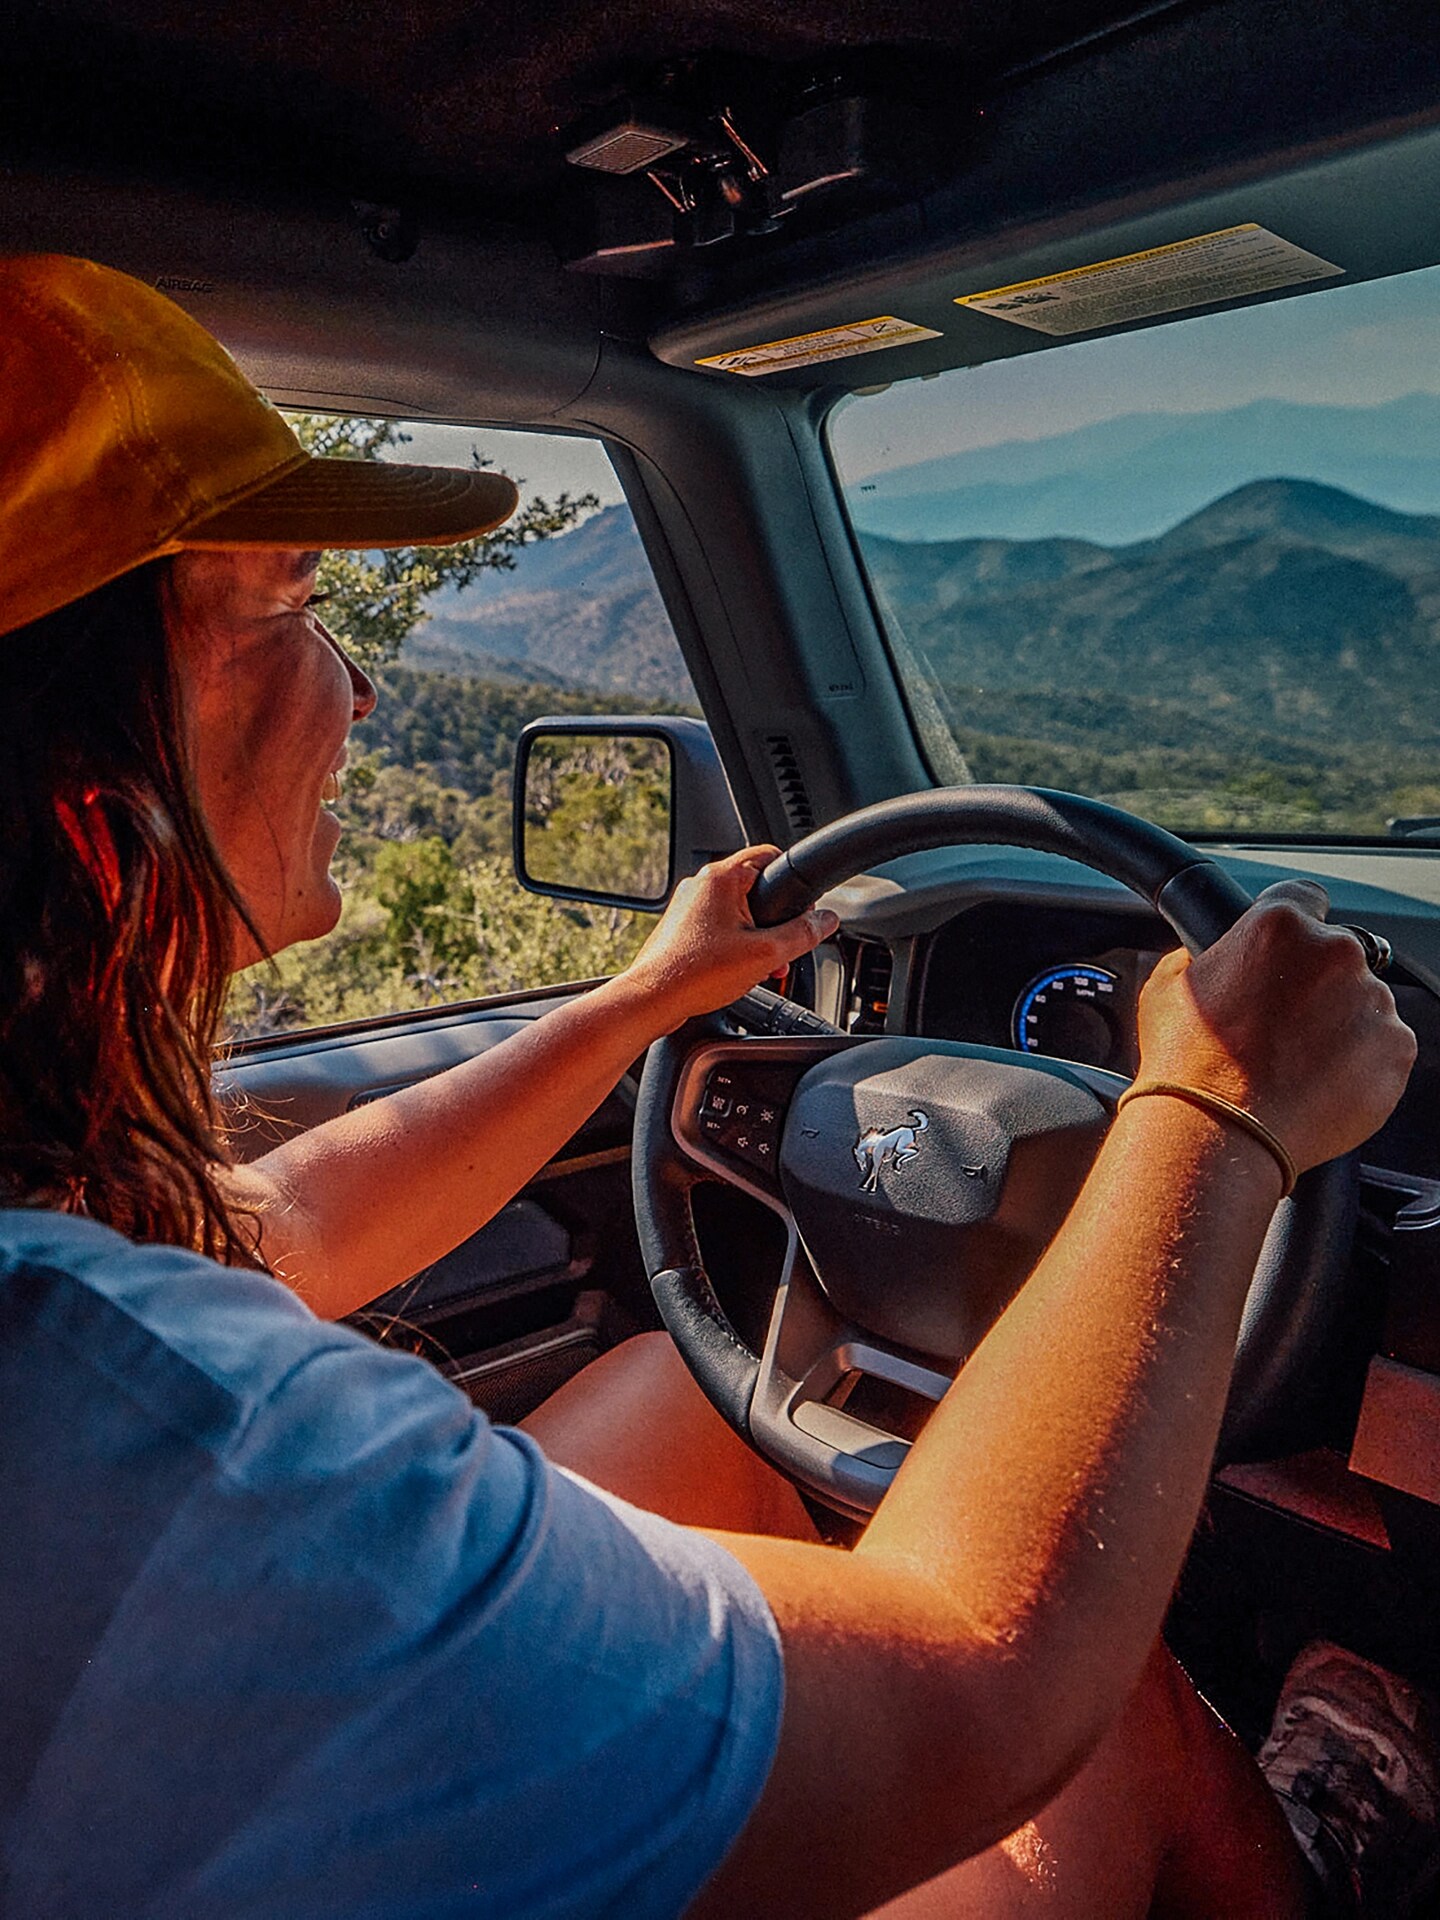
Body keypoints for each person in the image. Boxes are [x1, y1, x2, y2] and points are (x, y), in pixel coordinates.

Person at [0, 251, 1426, 1919]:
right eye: (295, 608)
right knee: (1100, 1723)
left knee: (701, 1399)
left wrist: (642, 1002)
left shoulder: (66, 1292)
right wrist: (1216, 1112)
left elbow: (262, 1232)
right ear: (100, 805)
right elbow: (975, 1678)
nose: (360, 687)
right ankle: (1319, 1866)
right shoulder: (170, 1454)